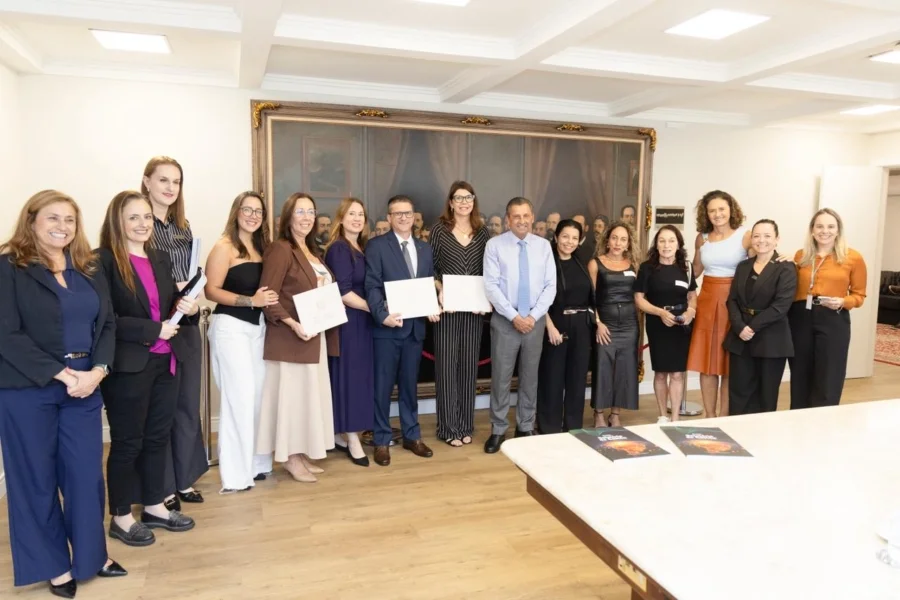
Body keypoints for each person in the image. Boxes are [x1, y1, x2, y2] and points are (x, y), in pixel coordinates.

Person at [0, 191, 126, 598]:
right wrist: (60, 373)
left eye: (70, 219)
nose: (62, 226)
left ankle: (91, 556)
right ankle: (52, 565)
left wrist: (99, 370)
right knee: (34, 480)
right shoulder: (8, 266)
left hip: (85, 386)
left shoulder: (88, 266)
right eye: (53, 218)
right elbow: (6, 333)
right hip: (27, 389)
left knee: (86, 476)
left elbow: (107, 324)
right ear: (32, 220)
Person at [98, 190, 198, 547]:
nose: (142, 224)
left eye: (146, 218)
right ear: (118, 222)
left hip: (165, 360)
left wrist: (186, 304)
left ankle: (154, 505)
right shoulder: (104, 261)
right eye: (133, 218)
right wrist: (153, 330)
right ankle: (121, 516)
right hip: (129, 365)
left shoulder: (158, 257)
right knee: (127, 443)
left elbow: (167, 305)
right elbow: (105, 319)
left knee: (157, 437)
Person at [257, 193, 339, 483]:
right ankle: (290, 458)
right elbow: (268, 295)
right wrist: (293, 324)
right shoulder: (281, 249)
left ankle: (301, 453)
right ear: (288, 216)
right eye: (300, 211)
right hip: (291, 338)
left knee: (307, 400)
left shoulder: (313, 251)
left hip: (314, 337)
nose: (306, 217)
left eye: (311, 212)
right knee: (291, 402)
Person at [141, 156, 208, 512]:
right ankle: (162, 484)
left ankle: (183, 478)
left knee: (186, 406)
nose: (169, 187)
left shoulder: (182, 227)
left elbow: (193, 273)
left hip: (187, 324)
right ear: (147, 181)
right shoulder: (139, 225)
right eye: (163, 180)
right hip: (157, 327)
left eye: (176, 182)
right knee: (160, 409)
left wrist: (195, 299)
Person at [204, 192, 278, 493]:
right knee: (240, 398)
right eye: (247, 209)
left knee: (260, 396)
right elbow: (211, 290)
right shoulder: (224, 247)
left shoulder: (262, 248)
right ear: (236, 212)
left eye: (258, 211)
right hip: (230, 328)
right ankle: (235, 475)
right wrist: (251, 300)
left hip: (257, 329)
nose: (252, 215)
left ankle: (258, 464)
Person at [365, 195, 440, 466]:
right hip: (387, 329)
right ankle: (382, 440)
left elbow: (426, 284)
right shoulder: (376, 246)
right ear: (389, 218)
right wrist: (381, 315)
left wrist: (431, 305)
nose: (403, 218)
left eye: (407, 213)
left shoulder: (424, 248)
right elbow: (372, 285)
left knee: (410, 387)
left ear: (413, 215)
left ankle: (412, 436)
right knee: (382, 388)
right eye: (397, 214)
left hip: (414, 330)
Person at [483, 197, 556, 453]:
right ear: (507, 220)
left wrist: (533, 316)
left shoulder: (544, 247)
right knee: (501, 379)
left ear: (533, 217)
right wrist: (514, 316)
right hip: (505, 321)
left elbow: (550, 286)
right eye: (516, 216)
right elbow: (490, 286)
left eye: (526, 216)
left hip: (534, 322)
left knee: (530, 378)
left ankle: (525, 425)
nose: (522, 221)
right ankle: (498, 429)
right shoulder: (494, 246)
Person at [789, 208, 867, 409]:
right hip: (800, 317)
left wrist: (843, 302)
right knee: (800, 372)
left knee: (829, 374)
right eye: (820, 226)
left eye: (831, 226)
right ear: (812, 230)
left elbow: (859, 295)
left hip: (833, 317)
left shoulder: (853, 257)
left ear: (838, 230)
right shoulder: (801, 256)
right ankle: (798, 419)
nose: (825, 231)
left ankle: (824, 423)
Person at [431, 181, 490, 446]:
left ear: (473, 201)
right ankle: (447, 427)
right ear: (451, 202)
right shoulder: (439, 230)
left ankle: (465, 425)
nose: (464, 202)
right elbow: (428, 268)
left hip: (474, 311)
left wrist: (486, 298)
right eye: (459, 197)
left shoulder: (483, 233)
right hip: (448, 309)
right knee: (446, 367)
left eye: (469, 197)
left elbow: (490, 272)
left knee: (468, 367)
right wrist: (440, 289)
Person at [686, 190, 751, 419]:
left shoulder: (745, 235)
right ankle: (709, 416)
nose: (717, 214)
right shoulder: (701, 237)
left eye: (721, 209)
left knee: (730, 363)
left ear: (731, 209)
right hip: (707, 300)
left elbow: (759, 265)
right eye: (712, 210)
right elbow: (694, 272)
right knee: (708, 362)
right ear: (706, 214)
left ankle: (725, 416)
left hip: (735, 301)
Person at [724, 220, 797, 415]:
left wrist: (752, 327)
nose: (761, 240)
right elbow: (732, 300)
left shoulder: (786, 268)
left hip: (771, 340)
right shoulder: (743, 267)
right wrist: (740, 327)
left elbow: (781, 306)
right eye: (756, 236)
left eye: (767, 236)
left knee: (766, 395)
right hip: (741, 338)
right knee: (739, 393)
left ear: (777, 240)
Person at [325, 198, 374, 467]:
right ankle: (352, 437)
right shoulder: (339, 249)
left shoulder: (361, 247)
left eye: (361, 214)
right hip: (349, 321)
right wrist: (374, 308)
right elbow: (342, 292)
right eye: (351, 214)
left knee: (360, 378)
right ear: (341, 218)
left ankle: (345, 433)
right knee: (350, 378)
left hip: (363, 321)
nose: (357, 218)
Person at [634, 225, 697, 424]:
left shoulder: (686, 267)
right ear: (656, 244)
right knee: (661, 372)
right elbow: (639, 299)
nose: (666, 245)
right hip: (658, 323)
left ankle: (676, 417)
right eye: (662, 240)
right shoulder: (647, 267)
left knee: (678, 373)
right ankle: (663, 415)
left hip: (681, 325)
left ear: (678, 244)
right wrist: (660, 312)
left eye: (671, 240)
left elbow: (692, 296)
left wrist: (690, 312)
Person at [536, 219, 593, 434]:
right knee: (552, 377)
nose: (570, 242)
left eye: (575, 238)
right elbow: (539, 297)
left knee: (577, 378)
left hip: (581, 325)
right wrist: (549, 326)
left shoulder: (582, 261)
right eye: (565, 236)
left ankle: (573, 427)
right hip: (554, 322)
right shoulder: (546, 262)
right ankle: (549, 427)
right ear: (556, 236)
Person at [590, 221, 641, 427]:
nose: (618, 243)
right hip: (606, 324)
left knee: (624, 368)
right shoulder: (596, 263)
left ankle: (616, 414)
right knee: (602, 367)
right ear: (607, 240)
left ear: (628, 244)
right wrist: (598, 323)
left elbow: (639, 295)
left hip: (629, 325)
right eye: (614, 238)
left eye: (623, 239)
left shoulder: (634, 265)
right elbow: (590, 297)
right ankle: (599, 413)